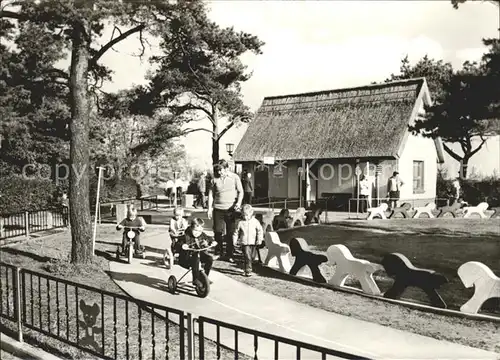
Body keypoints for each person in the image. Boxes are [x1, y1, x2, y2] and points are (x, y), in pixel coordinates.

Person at [207, 159, 243, 263]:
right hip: (218, 209)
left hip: (231, 209)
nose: (219, 172)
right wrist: (209, 208)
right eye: (217, 170)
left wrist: (238, 203)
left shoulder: (235, 178)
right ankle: (219, 252)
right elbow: (210, 194)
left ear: (227, 168)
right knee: (218, 231)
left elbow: (241, 192)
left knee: (230, 233)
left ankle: (229, 254)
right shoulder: (214, 180)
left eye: (221, 170)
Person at [232, 204, 264, 277]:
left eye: (246, 215)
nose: (245, 217)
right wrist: (234, 240)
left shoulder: (255, 222)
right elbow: (236, 232)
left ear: (251, 213)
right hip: (244, 242)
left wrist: (259, 239)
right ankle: (248, 271)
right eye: (243, 215)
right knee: (247, 256)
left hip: (253, 242)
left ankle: (245, 267)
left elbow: (260, 231)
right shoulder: (240, 222)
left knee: (252, 257)